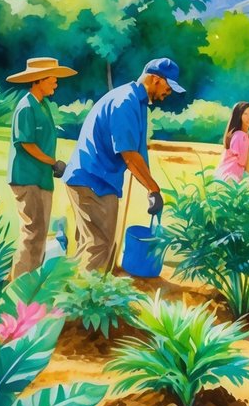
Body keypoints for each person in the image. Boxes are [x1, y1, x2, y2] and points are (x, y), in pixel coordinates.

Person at [62, 58, 180, 273]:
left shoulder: (137, 102)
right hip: (93, 180)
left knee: (92, 245)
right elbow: (129, 155)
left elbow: (138, 153)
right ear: (155, 79)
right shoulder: (125, 102)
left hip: (96, 180)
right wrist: (153, 189)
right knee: (98, 246)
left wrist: (149, 188)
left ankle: (77, 290)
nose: (169, 92)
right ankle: (87, 294)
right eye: (169, 86)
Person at [6, 57, 77, 277]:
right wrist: (53, 162)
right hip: (27, 177)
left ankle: (31, 282)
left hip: (42, 177)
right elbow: (27, 143)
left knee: (40, 232)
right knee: (32, 233)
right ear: (39, 80)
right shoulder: (26, 107)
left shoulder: (43, 105)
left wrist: (51, 165)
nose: (56, 83)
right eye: (52, 79)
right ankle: (18, 284)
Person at [214, 102, 249, 182]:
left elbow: (247, 163)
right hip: (229, 177)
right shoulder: (240, 135)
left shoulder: (245, 135)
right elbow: (243, 162)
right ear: (238, 116)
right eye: (245, 114)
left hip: (222, 175)